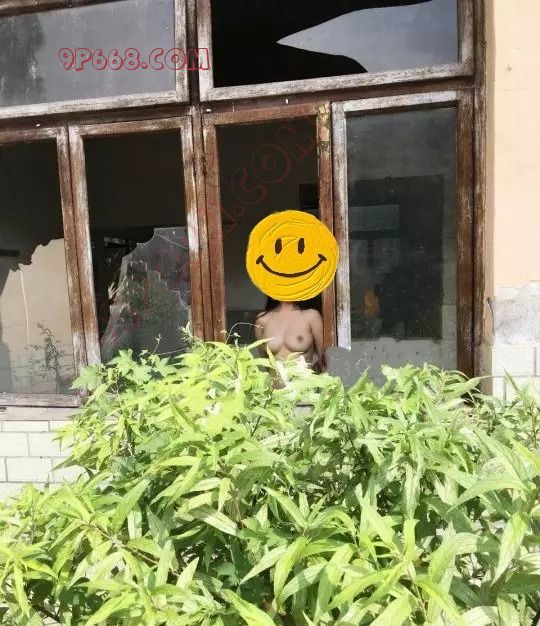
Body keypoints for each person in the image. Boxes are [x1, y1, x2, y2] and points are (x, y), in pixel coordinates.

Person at [253, 296, 326, 374]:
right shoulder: (262, 319)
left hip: (304, 380)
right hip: (273, 381)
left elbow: (323, 358)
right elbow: (264, 360)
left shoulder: (311, 316)